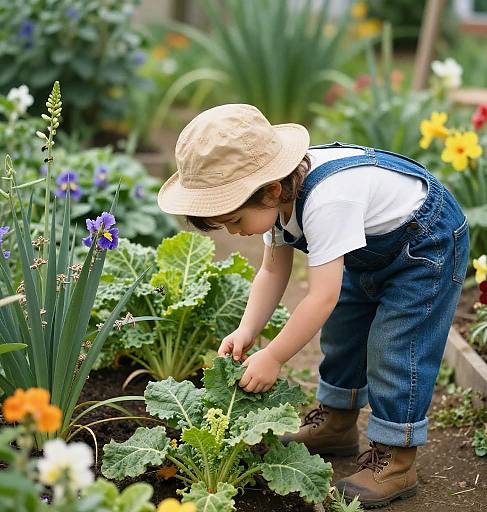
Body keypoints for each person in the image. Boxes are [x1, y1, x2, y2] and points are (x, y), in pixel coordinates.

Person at [157, 103, 470, 508]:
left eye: (233, 220)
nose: (234, 232)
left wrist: (274, 356)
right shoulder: (277, 196)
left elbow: (322, 296)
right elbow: (272, 272)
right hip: (370, 248)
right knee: (343, 332)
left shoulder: (326, 200)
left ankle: (397, 458)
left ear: (271, 190)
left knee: (396, 346)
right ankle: (337, 423)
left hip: (426, 245)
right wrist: (248, 331)